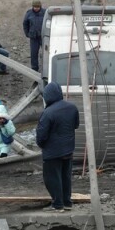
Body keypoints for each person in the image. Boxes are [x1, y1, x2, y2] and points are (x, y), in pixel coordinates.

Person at [35, 82, 79, 211]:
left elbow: (41, 135)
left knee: (52, 178)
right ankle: (67, 202)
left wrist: (42, 145)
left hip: (52, 152)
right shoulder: (72, 108)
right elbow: (76, 125)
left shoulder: (47, 113)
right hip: (68, 149)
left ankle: (57, 204)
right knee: (66, 176)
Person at [22, 0, 45, 73]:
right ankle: (34, 69)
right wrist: (27, 33)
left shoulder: (45, 12)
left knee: (46, 52)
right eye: (35, 7)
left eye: (37, 7)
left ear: (40, 6)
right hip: (33, 37)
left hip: (43, 37)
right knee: (34, 53)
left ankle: (46, 68)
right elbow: (25, 24)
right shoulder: (29, 13)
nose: (36, 8)